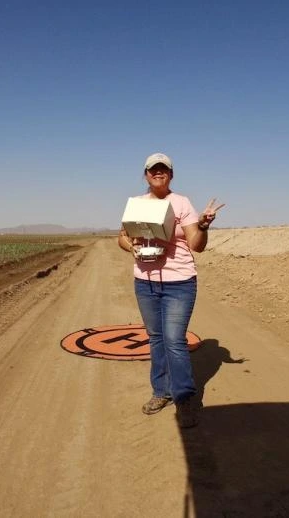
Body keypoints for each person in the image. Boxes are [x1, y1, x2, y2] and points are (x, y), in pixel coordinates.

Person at [118, 152, 224, 428]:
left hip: (179, 282)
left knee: (175, 340)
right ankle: (160, 392)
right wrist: (133, 247)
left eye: (164, 169)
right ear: (145, 175)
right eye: (153, 169)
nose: (158, 172)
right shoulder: (136, 204)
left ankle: (185, 399)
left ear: (171, 175)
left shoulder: (181, 203)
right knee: (156, 338)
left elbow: (196, 245)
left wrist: (202, 225)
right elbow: (122, 236)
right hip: (145, 281)